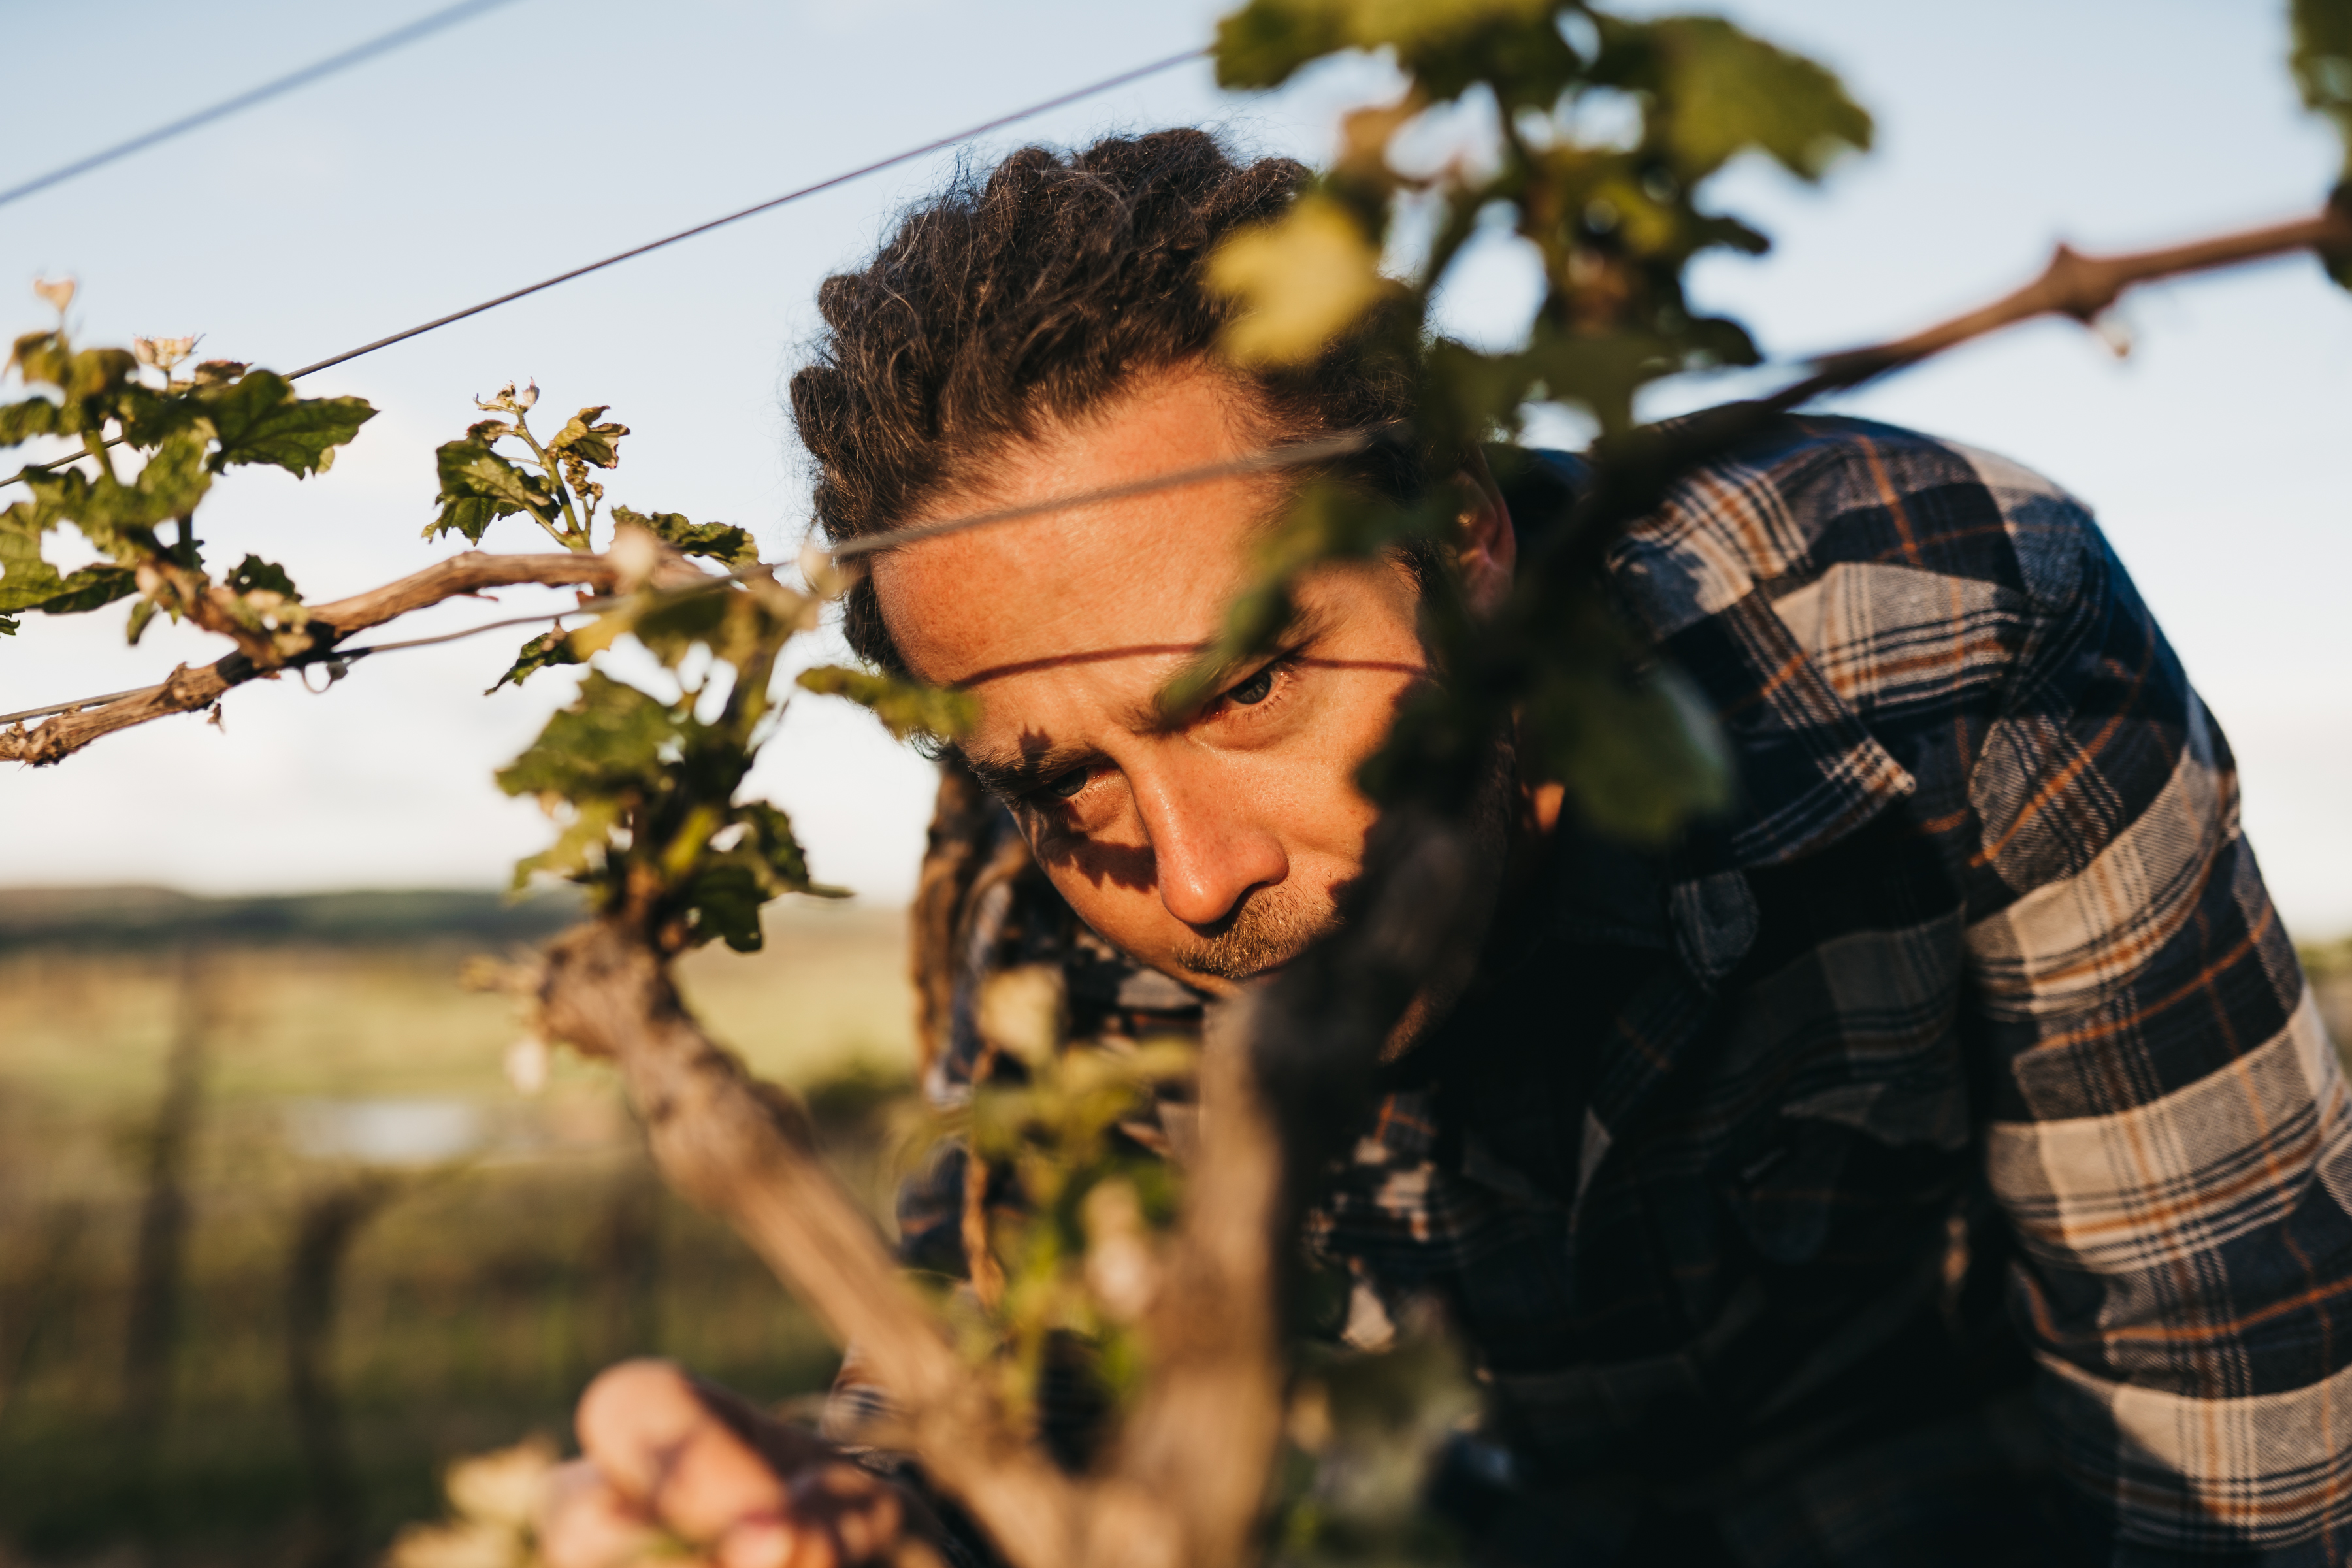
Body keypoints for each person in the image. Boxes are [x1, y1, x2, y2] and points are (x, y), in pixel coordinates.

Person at [538, 131, 2352, 1567]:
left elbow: (2231, 1374)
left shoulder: (1942, 634)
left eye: (1248, 687)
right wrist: (843, 1513)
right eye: (1067, 782)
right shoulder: (1040, 863)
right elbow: (1009, 1361)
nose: (1189, 879)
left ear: (1465, 537)